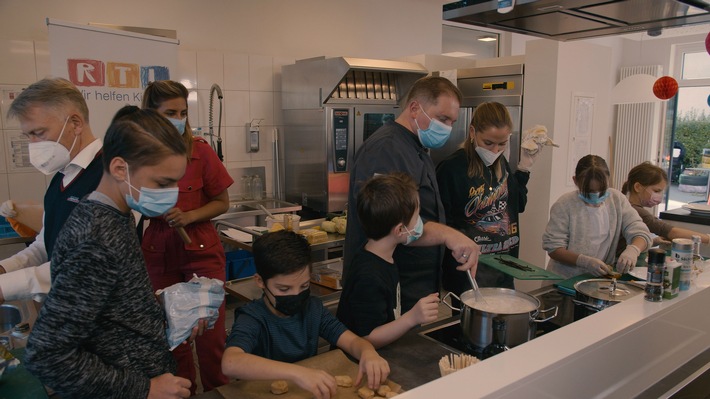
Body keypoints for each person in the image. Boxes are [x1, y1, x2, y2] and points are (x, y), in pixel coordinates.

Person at [25, 107, 193, 399]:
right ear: (119, 169)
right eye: (162, 183)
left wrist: (164, 310)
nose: (171, 193)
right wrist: (144, 388)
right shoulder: (96, 238)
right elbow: (46, 354)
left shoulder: (118, 215)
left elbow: (106, 304)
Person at [343, 76, 480, 313]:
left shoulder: (415, 146)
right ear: (415, 108)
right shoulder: (386, 149)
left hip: (414, 286)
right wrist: (448, 235)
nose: (447, 128)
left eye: (452, 122)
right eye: (442, 118)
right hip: (390, 284)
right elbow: (388, 223)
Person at [141, 80, 233, 393]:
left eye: (182, 112)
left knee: (210, 336)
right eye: (169, 112)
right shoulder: (138, 156)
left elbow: (223, 202)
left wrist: (189, 215)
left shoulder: (200, 152)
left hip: (201, 247)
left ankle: (219, 391)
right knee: (172, 335)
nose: (178, 118)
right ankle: (183, 392)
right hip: (158, 249)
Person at [222, 231, 390, 399]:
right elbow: (230, 362)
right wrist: (297, 373)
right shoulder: (253, 318)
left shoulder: (313, 309)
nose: (296, 294)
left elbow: (352, 341)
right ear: (260, 281)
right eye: (284, 289)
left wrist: (368, 353)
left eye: (303, 286)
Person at [0, 77, 103, 304]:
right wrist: (4, 268)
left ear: (75, 123)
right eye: (28, 136)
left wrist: (4, 287)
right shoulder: (62, 176)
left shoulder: (110, 177)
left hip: (102, 321)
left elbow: (83, 266)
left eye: (39, 133)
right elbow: (44, 246)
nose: (33, 145)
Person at [436, 102, 543, 295]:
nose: (494, 151)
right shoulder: (452, 169)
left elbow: (517, 205)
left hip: (504, 267)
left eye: (502, 144)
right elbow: (440, 223)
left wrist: (524, 169)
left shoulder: (501, 163)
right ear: (472, 132)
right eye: (488, 143)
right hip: (468, 272)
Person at [337, 173, 439, 348]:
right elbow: (367, 338)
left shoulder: (384, 255)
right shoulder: (368, 276)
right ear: (400, 230)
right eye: (417, 215)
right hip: (355, 364)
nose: (420, 222)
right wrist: (412, 317)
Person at [543, 155, 652, 278]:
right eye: (589, 191)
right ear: (575, 181)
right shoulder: (565, 205)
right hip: (564, 279)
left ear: (608, 180)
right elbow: (553, 248)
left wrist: (633, 250)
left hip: (599, 280)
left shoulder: (617, 200)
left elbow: (640, 231)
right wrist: (584, 261)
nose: (596, 195)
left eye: (602, 190)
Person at [620, 161, 710, 249]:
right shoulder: (636, 211)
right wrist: (708, 239)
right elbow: (672, 232)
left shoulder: (628, 206)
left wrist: (652, 241)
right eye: (656, 191)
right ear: (638, 187)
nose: (659, 196)